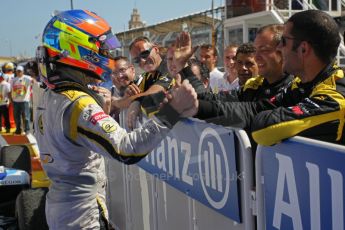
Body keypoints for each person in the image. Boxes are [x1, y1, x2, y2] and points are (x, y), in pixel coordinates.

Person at [34, 10, 197, 230]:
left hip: (61, 208)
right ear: (78, 49)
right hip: (83, 216)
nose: (106, 56)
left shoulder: (49, 94)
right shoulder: (79, 104)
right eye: (101, 49)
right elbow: (127, 148)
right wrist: (172, 111)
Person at [172, 10, 345, 146]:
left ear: (304, 49)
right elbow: (253, 110)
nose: (279, 48)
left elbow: (263, 127)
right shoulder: (300, 86)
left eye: (283, 42)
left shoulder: (335, 95)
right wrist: (196, 107)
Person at [127, 36, 174, 130]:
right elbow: (130, 97)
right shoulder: (146, 76)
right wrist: (134, 101)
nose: (142, 61)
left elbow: (155, 91)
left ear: (156, 49)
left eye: (144, 54)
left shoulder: (171, 66)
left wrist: (137, 101)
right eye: (137, 60)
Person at [10, 65, 35, 134]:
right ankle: (18, 129)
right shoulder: (13, 80)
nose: (18, 72)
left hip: (25, 101)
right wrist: (11, 99)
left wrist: (34, 81)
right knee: (17, 116)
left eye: (20, 71)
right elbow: (10, 90)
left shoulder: (27, 78)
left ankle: (27, 130)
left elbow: (33, 81)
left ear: (23, 71)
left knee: (26, 116)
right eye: (17, 71)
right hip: (16, 101)